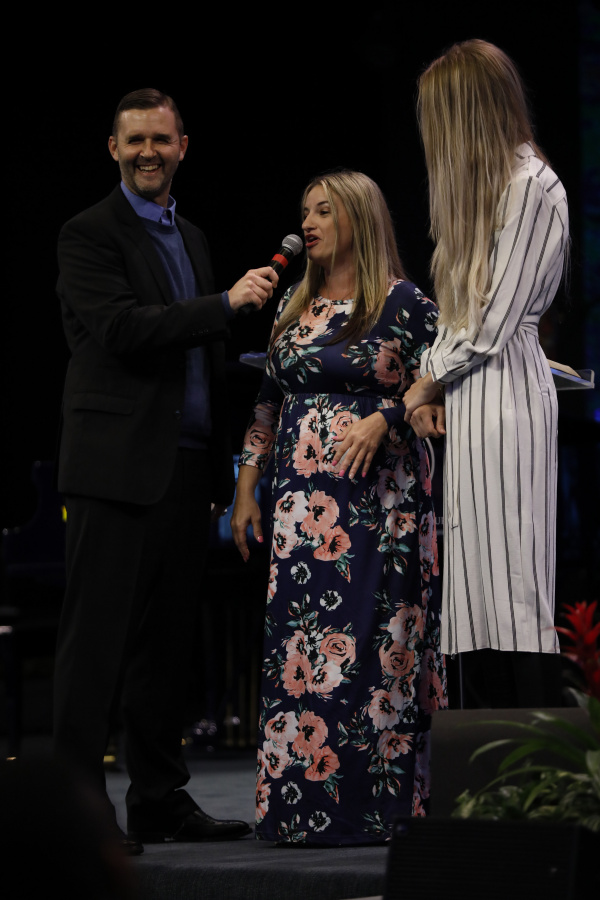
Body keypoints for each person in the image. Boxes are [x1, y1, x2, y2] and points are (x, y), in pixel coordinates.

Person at [53, 88, 278, 853]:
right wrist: (224, 303)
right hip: (114, 471)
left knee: (166, 649)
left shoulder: (193, 236)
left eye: (161, 139)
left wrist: (220, 474)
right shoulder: (88, 233)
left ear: (183, 147)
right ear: (113, 149)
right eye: (135, 140)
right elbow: (121, 329)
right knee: (96, 648)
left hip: (183, 469)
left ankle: (157, 799)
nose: (148, 152)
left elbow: (203, 364)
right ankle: (79, 814)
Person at [231, 170, 447, 845]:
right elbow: (267, 402)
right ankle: (298, 812)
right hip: (301, 516)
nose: (309, 223)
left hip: (379, 505)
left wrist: (389, 416)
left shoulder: (404, 303)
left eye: (324, 211)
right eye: (305, 211)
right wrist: (246, 484)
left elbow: (439, 381)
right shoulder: (294, 305)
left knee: (376, 652)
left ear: (360, 217)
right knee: (303, 651)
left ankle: (378, 810)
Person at [404, 40, 569, 707]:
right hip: (474, 394)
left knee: (514, 582)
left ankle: (529, 751)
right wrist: (434, 383)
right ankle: (481, 754)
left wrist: (425, 379)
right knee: (474, 586)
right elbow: (461, 314)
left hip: (507, 397)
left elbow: (493, 320)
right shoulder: (489, 194)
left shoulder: (532, 186)